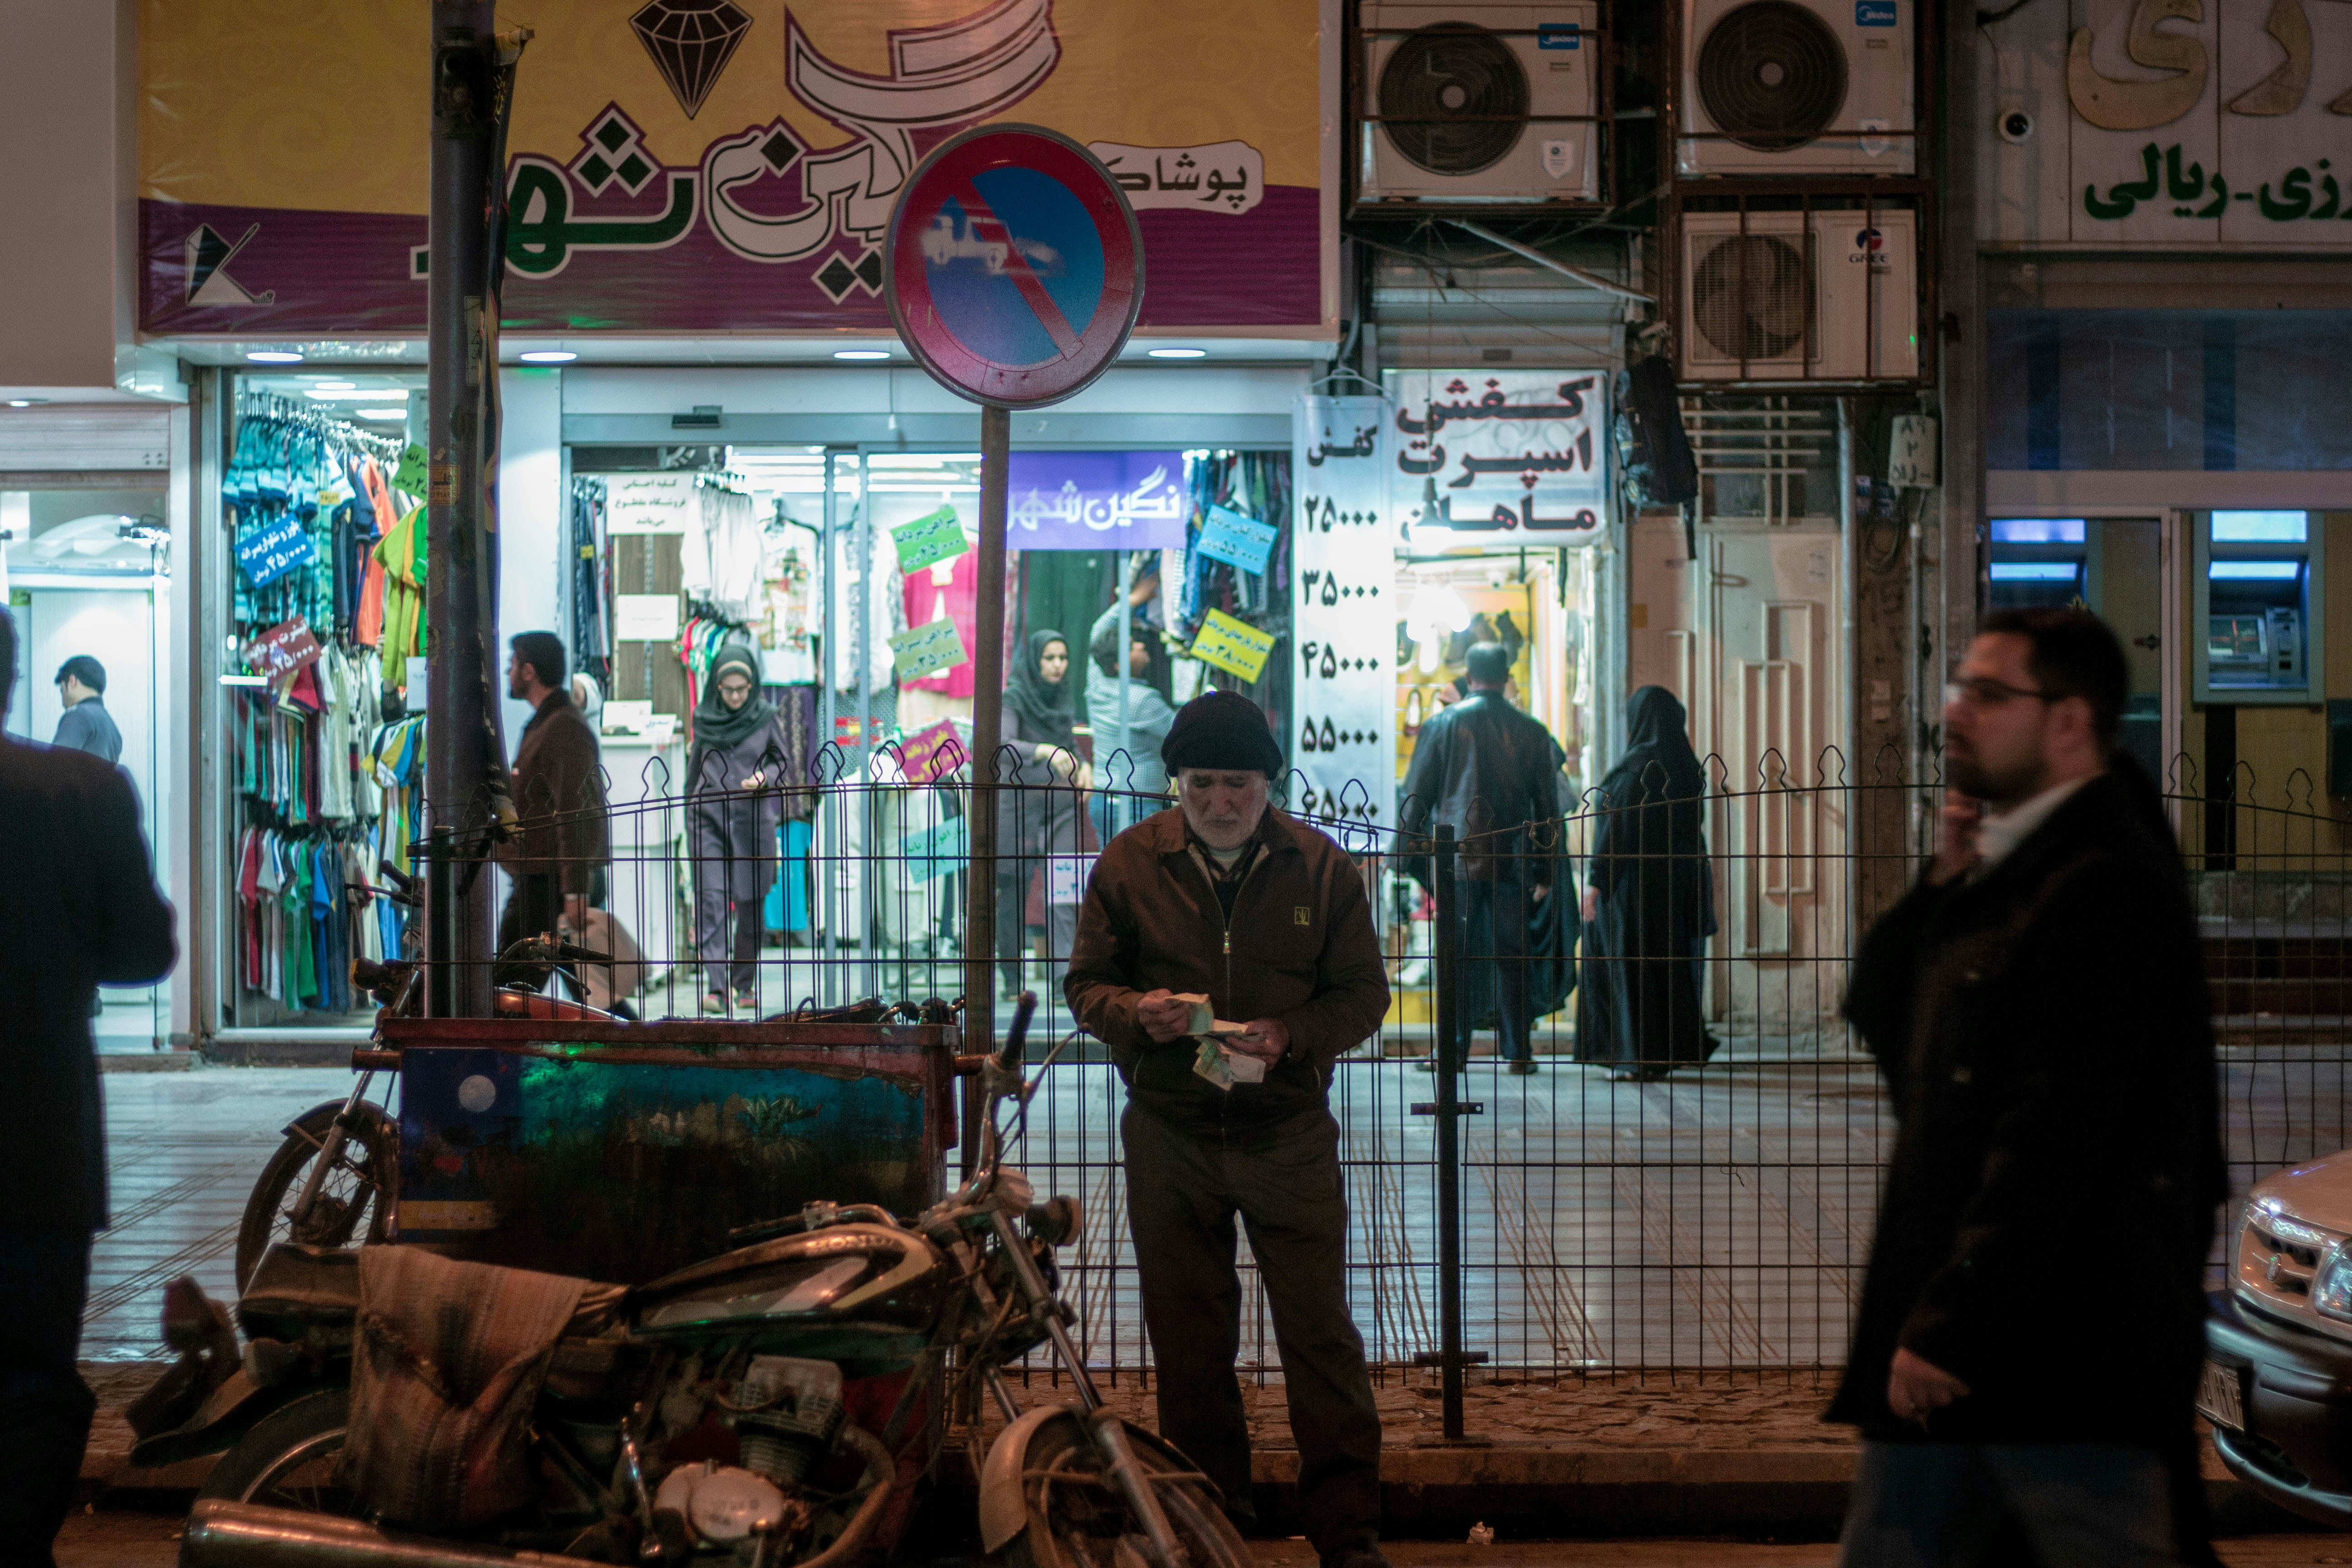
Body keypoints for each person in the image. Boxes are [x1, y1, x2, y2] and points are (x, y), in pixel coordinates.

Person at [1832, 608, 2223, 1565]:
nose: (1957, 713)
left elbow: (2059, 1137)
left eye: (1990, 694)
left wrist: (1952, 1325)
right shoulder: (2015, 866)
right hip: (1985, 1348)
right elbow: (1890, 1021)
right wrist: (1941, 882)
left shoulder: (2102, 886)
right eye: (1959, 689)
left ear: (2069, 723)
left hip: (2060, 1354)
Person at [1065, 690, 1391, 1568]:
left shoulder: (1322, 871)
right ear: (1176, 783)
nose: (1219, 803)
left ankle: (1347, 1527)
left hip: (1287, 1132)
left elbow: (1365, 994)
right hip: (1171, 1133)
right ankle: (1212, 1518)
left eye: (1238, 785)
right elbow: (1085, 985)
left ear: (1267, 785)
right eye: (1202, 784)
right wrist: (1139, 1012)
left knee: (1319, 1333)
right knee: (1189, 1337)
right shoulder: (1130, 866)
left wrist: (1293, 1037)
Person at [0, 608, 176, 1567]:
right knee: (33, 1380)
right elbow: (145, 949)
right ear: (15, 672)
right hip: (37, 1142)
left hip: (43, 1144)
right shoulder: (82, 790)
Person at [1398, 641, 1570, 1074]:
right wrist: (1545, 869)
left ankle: (1453, 1051)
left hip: (1455, 859)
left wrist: (1401, 856)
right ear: (1507, 675)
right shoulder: (1531, 730)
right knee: (1514, 957)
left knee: (1454, 958)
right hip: (1510, 861)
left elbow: (1416, 795)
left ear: (1468, 675)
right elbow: (1547, 807)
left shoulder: (1443, 724)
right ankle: (1518, 1051)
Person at [1574, 685, 1717, 1079]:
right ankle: (1662, 1053)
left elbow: (1617, 830)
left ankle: (1635, 1057)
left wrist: (1596, 881)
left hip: (1632, 888)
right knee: (1666, 969)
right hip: (1676, 884)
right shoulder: (1687, 767)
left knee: (1630, 969)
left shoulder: (1635, 768)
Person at [686, 643, 794, 1015]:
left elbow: (783, 761)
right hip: (709, 820)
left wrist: (765, 777)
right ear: (716, 686)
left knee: (750, 905)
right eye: (727, 689)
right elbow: (691, 774)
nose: (734, 696)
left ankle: (742, 984)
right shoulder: (704, 718)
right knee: (712, 901)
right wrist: (690, 809)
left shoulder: (766, 716)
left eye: (741, 689)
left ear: (752, 686)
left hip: (752, 821)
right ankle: (717, 989)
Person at [494, 632, 608, 985]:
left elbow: (577, 814)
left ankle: (639, 1038)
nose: (507, 671)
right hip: (543, 879)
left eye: (513, 663)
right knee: (591, 990)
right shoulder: (547, 723)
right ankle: (634, 1037)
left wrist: (575, 892)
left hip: (550, 884)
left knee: (513, 989)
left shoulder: (563, 727)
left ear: (529, 671)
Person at [997, 628, 1084, 999]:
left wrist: (1085, 763)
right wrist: (1045, 751)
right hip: (1019, 810)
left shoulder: (1063, 699)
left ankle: (1061, 980)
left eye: (1062, 658)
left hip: (1059, 807)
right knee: (1013, 897)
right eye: (1049, 658)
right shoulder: (1014, 696)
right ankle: (1012, 980)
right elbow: (1004, 745)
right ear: (1035, 659)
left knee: (1063, 888)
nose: (1057, 666)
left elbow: (1071, 746)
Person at [1083, 611, 1176, 843]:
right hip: (1138, 805)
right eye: (1132, 646)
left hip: (1103, 799)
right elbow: (1183, 733)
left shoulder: (1096, 686)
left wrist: (1132, 600)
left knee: (1113, 874)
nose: (1141, 646)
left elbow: (1098, 631)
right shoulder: (1142, 700)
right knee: (1142, 875)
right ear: (1118, 664)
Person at [51, 655, 121, 764]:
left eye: (62, 691)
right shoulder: (112, 727)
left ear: (72, 681)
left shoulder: (78, 715)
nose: (63, 703)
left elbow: (55, 765)